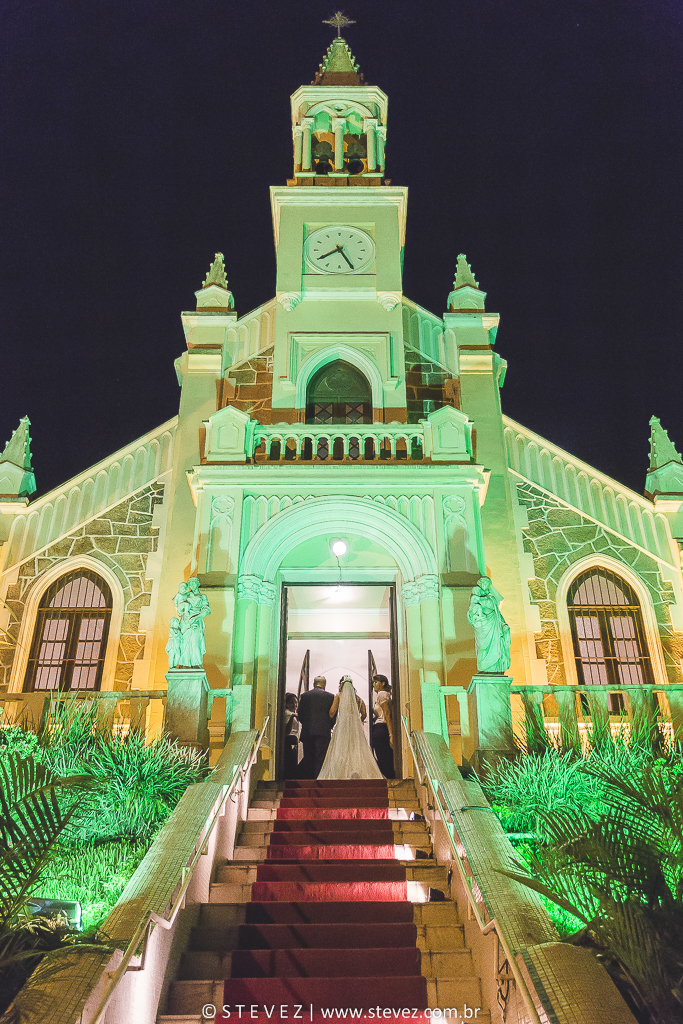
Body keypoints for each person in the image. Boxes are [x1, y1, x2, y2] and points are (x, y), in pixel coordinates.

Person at [318, 678, 383, 780]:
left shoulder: (339, 696)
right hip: (355, 729)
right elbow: (364, 714)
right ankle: (355, 770)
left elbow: (332, 712)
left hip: (342, 727)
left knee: (341, 748)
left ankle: (340, 772)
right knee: (356, 749)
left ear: (342, 685)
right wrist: (358, 721)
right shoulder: (359, 699)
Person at [467, 575, 511, 674]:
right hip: (483, 624)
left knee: (497, 645)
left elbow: (497, 613)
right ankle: (484, 668)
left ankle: (495, 668)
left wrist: (503, 624)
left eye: (488, 583)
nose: (486, 585)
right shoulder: (476, 597)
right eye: (484, 583)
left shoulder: (491, 597)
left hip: (494, 623)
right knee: (483, 647)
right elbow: (472, 612)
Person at [296, 675, 335, 778]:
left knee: (308, 756)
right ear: (324, 684)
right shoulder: (330, 697)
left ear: (314, 684)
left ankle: (308, 779)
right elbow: (332, 715)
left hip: (308, 731)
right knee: (321, 756)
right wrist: (329, 726)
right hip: (323, 731)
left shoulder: (305, 696)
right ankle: (319, 778)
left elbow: (300, 714)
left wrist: (306, 724)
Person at [371, 675, 395, 779]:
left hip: (382, 728)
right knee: (383, 755)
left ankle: (388, 777)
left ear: (383, 683)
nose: (374, 685)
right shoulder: (383, 694)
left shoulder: (381, 694)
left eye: (376, 682)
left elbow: (387, 713)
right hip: (381, 727)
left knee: (383, 755)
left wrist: (390, 733)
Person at [283, 692, 300, 779]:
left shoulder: (292, 713)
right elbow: (287, 730)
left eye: (296, 702)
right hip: (289, 739)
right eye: (291, 702)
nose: (294, 704)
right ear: (286, 704)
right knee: (291, 761)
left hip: (293, 739)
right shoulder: (288, 713)